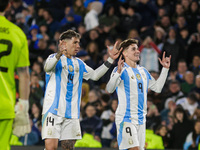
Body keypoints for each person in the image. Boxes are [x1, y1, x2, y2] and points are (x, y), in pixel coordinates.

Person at [42, 29, 121, 150]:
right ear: (64, 43)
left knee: (69, 148)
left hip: (72, 113)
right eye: (75, 43)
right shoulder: (54, 58)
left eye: (78, 43)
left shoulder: (79, 63)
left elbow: (95, 75)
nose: (78, 46)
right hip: (53, 111)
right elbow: (47, 68)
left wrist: (110, 60)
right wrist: (59, 53)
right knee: (51, 148)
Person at [106, 39, 171, 150]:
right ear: (125, 53)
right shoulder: (120, 69)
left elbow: (157, 88)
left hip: (141, 119)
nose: (138, 51)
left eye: (137, 48)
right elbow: (109, 89)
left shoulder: (143, 71)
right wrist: (117, 74)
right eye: (133, 49)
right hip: (126, 118)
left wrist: (165, 69)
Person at [0, 1, 30, 150]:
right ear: (7, 6)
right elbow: (24, 74)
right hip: (4, 104)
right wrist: (23, 106)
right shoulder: (17, 33)